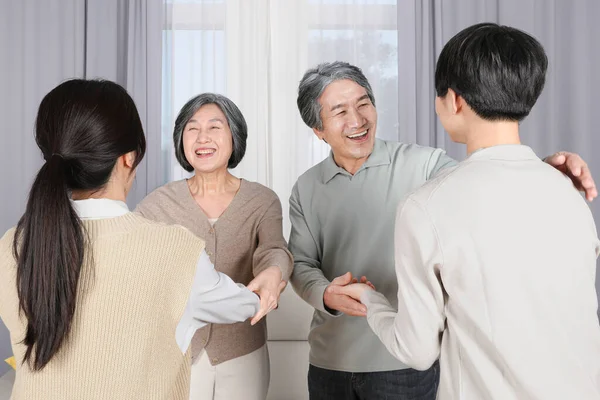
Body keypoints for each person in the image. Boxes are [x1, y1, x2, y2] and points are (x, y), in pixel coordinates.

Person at [289, 59, 598, 399]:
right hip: (330, 361)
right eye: (340, 111)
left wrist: (541, 169)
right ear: (318, 129)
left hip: (405, 363)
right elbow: (301, 264)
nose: (358, 120)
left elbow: (484, 189)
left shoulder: (426, 164)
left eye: (364, 103)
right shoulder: (306, 187)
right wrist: (326, 295)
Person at [0, 80, 260, 400]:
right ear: (128, 158)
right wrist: (263, 289)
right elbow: (244, 304)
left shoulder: (12, 246)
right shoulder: (175, 253)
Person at [136, 93, 293, 400]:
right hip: (178, 353)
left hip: (243, 350)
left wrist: (275, 271)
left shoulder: (261, 200)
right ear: (181, 140)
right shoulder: (157, 204)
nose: (202, 137)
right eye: (192, 128)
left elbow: (273, 248)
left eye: (214, 127)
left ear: (234, 136)